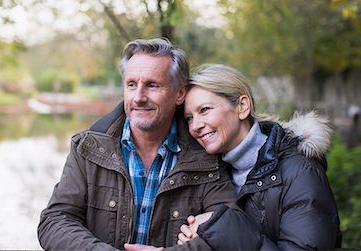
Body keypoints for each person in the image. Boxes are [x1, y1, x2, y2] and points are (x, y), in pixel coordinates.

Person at [37, 39, 238, 251]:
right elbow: (55, 221)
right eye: (131, 85)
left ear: (179, 93)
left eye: (152, 85)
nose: (139, 97)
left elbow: (228, 232)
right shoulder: (88, 148)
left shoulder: (205, 155)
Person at [125, 64, 342, 251]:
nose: (196, 126)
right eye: (189, 118)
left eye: (205, 109)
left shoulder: (300, 173)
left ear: (242, 106)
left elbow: (227, 232)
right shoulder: (212, 170)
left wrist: (222, 229)